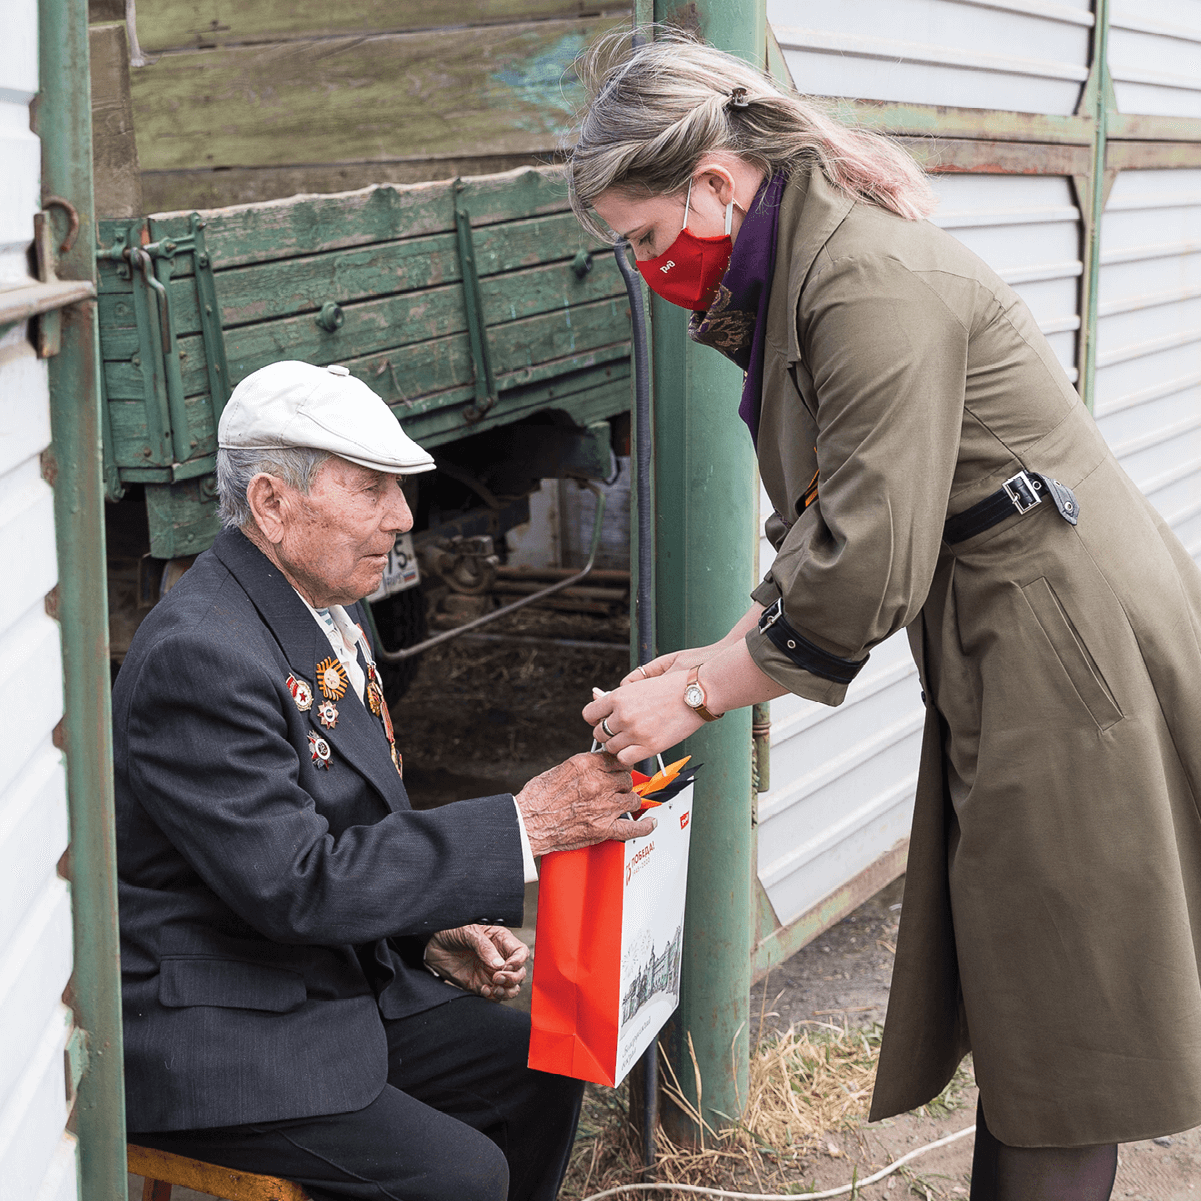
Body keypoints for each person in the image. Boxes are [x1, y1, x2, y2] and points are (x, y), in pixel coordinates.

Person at [573, 31, 1201, 1201]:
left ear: (714, 183)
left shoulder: (858, 278)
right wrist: (713, 650)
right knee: (1026, 979)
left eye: (646, 237)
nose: (649, 270)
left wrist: (703, 690)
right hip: (1015, 622)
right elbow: (843, 506)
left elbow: (866, 560)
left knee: (1063, 1005)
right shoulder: (810, 267)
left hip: (1065, 638)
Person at [114, 359, 656, 1201]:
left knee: (540, 1066)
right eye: (371, 488)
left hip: (309, 977)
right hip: (214, 1028)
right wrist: (525, 825)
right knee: (462, 1174)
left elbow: (329, 832)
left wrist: (421, 933)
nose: (402, 517)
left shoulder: (322, 601)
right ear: (271, 502)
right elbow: (296, 883)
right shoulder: (201, 653)